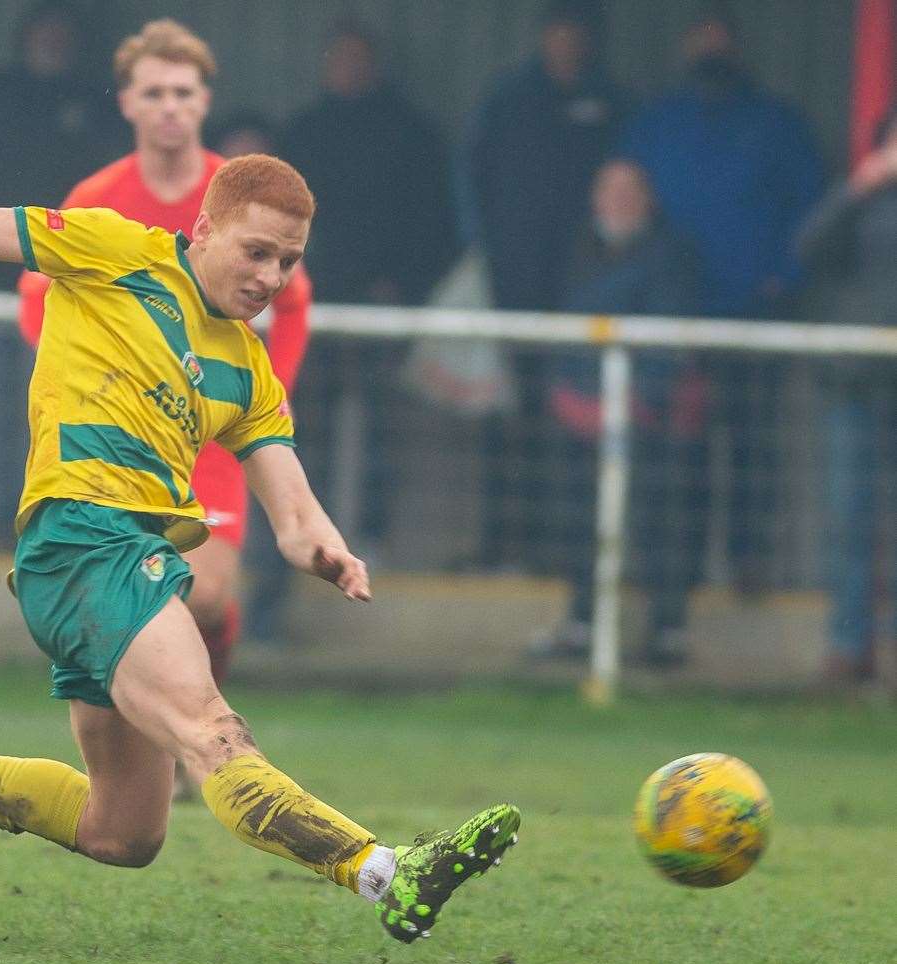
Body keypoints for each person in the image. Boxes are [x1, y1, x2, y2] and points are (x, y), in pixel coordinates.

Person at [0, 155, 520, 944]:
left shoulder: (250, 370)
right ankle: (386, 870)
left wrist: (326, 549)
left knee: (122, 834)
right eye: (257, 251)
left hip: (121, 560)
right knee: (212, 731)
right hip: (82, 539)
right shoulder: (114, 249)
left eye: (289, 260)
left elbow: (293, 505)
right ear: (204, 228)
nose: (272, 275)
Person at [17, 20, 313, 690]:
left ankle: (209, 672)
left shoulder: (238, 193)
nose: (170, 106)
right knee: (134, 597)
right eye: (154, 93)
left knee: (203, 596)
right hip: (116, 433)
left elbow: (292, 305)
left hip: (203, 427)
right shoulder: (96, 198)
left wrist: (271, 394)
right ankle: (170, 739)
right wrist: (80, 373)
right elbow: (35, 294)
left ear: (206, 100)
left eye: (184, 91)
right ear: (126, 103)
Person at [620, 3, 824, 593]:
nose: (709, 53)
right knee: (672, 453)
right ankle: (670, 573)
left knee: (751, 447)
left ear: (736, 49)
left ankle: (746, 560)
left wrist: (781, 278)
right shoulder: (656, 124)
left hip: (749, 318)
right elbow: (626, 205)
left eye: (719, 42)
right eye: (699, 41)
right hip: (669, 321)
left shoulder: (776, 123)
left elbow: (811, 214)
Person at [0, 2, 117, 543]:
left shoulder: (97, 107)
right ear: (25, 37)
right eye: (43, 31)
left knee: (64, 412)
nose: (52, 42)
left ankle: (55, 524)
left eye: (62, 32)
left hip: (70, 291)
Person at [279, 22, 459, 557]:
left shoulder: (411, 134)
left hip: (385, 308)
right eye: (342, 58)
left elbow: (433, 223)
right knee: (304, 429)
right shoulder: (303, 133)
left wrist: (401, 285)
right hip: (312, 307)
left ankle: (373, 536)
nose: (350, 69)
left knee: (382, 429)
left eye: (360, 59)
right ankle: (305, 533)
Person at [464, 0, 627, 572]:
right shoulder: (509, 100)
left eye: (576, 32)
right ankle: (503, 543)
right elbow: (472, 184)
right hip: (513, 291)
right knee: (508, 418)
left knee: (578, 422)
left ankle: (567, 554)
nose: (567, 42)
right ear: (543, 36)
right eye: (557, 31)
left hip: (589, 297)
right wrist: (487, 258)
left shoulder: (610, 104)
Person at [530, 160, 710, 668]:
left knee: (661, 524)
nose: (619, 199)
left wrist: (637, 400)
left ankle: (667, 630)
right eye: (609, 188)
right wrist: (568, 395)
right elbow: (558, 323)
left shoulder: (672, 254)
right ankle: (583, 622)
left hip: (651, 415)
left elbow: (670, 336)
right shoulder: (572, 251)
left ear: (649, 199)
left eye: (630, 190)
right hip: (579, 411)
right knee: (577, 523)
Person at [796, 109, 897, 687]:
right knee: (850, 519)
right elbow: (807, 250)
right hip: (858, 383)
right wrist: (856, 191)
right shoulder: (857, 204)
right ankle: (847, 643)